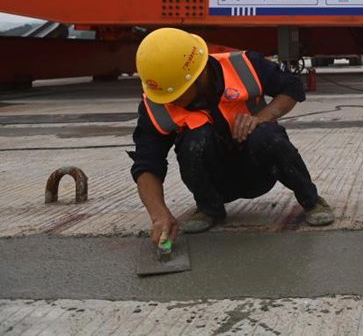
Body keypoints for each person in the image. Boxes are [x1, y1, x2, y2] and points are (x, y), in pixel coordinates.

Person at [129, 27, 333, 247]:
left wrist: (261, 118)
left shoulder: (243, 66)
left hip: (259, 170)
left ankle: (312, 201)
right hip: (216, 181)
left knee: (268, 134)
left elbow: (292, 88)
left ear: (200, 75)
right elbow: (147, 163)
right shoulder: (157, 104)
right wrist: (159, 214)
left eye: (178, 94)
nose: (172, 101)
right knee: (194, 141)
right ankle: (209, 209)